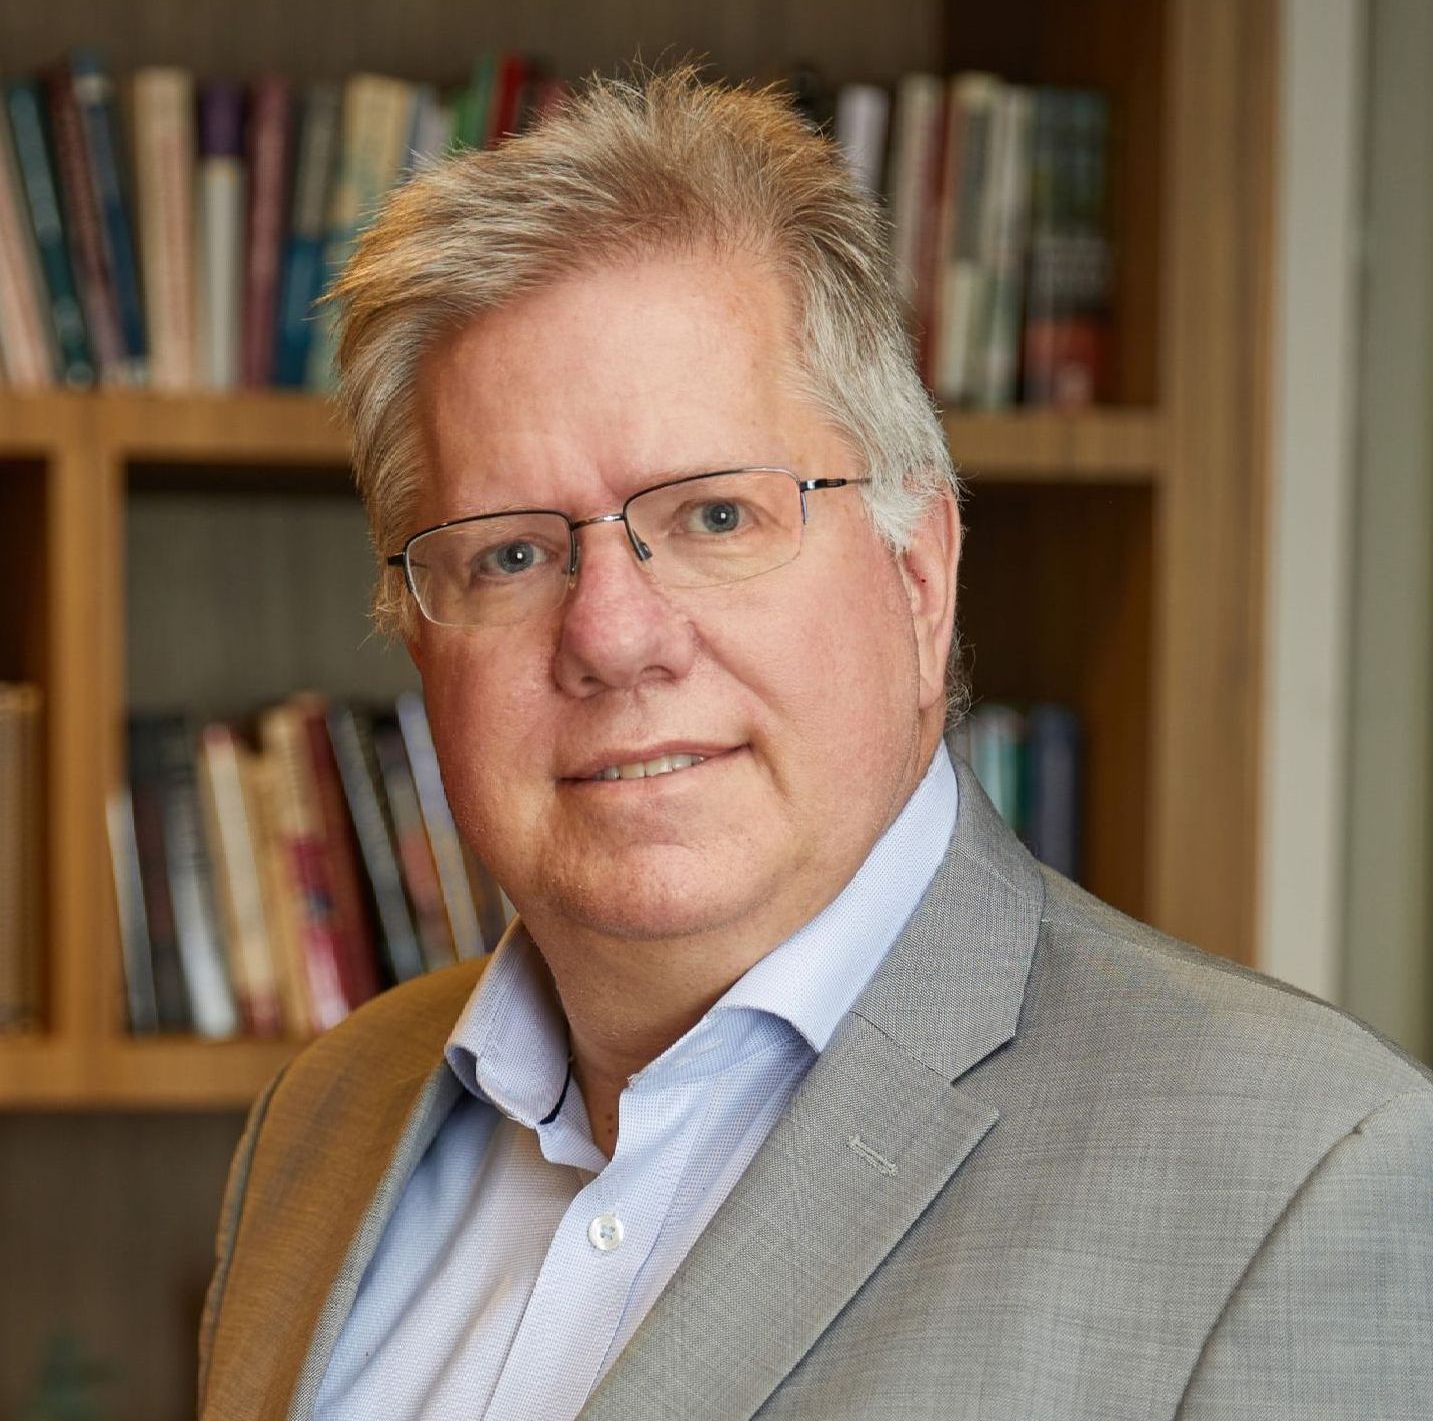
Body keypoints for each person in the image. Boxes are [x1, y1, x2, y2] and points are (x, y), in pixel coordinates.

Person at [197, 69, 1432, 1421]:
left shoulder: (1305, 1176)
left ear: (918, 576)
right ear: (420, 641)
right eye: (509, 551)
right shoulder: (321, 1122)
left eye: (716, 517)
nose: (614, 634)